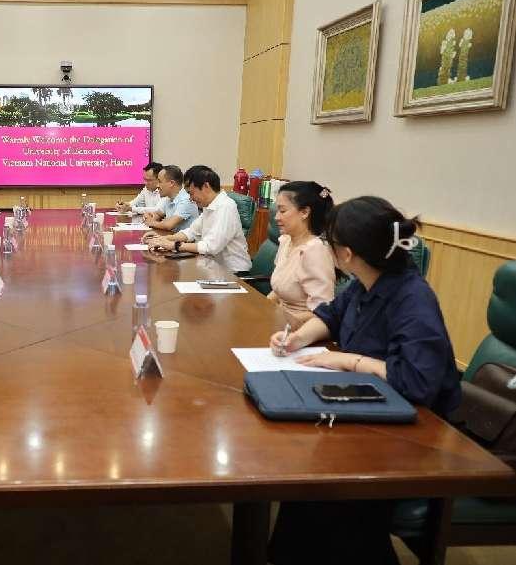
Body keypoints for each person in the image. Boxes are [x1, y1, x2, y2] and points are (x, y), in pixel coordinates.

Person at [266, 196, 461, 565]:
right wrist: (298, 338)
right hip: (369, 407)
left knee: (329, 487)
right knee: (304, 470)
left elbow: (416, 381)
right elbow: (331, 314)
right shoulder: (366, 282)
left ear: (347, 254)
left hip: (416, 429)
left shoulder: (412, 298)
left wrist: (350, 360)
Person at [146, 167, 252, 272]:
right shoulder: (209, 206)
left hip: (233, 273)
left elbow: (210, 247)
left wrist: (175, 245)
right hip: (211, 267)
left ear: (206, 186)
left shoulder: (226, 207)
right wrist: (163, 239)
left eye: (191, 193)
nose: (191, 199)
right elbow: (191, 232)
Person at [266, 181, 336, 328]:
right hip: (278, 321)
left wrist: (284, 322)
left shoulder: (315, 251)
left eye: (282, 211)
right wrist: (262, 309)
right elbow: (278, 290)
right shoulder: (287, 240)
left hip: (301, 329)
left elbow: (322, 312)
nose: (276, 217)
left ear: (304, 212)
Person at [140, 165, 198, 236]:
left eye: (160, 181)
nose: (157, 185)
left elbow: (169, 225)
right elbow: (158, 214)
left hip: (185, 241)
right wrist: (149, 216)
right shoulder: (168, 198)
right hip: (172, 238)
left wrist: (150, 222)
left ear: (171, 183)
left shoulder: (186, 200)